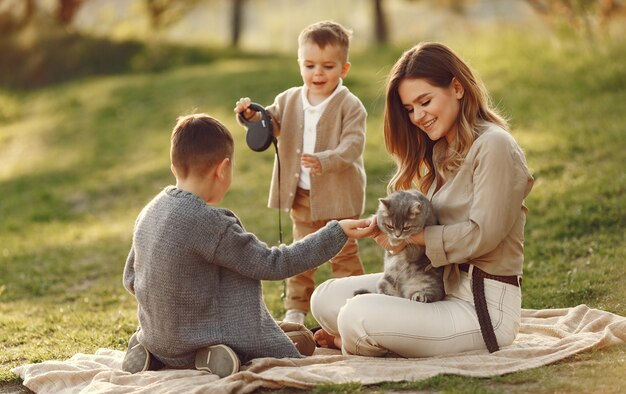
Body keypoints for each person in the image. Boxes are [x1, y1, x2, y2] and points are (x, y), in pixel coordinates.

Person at [310, 42, 534, 357]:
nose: (417, 116)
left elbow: (483, 235)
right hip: (434, 286)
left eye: (424, 101)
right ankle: (380, 335)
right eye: (409, 108)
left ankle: (350, 340)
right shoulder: (442, 149)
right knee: (325, 296)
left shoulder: (495, 146)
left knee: (355, 315)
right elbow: (429, 231)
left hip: (480, 309)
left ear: (457, 87)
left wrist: (413, 236)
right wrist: (392, 235)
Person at [121, 113, 375, 376]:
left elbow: (130, 278)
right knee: (303, 342)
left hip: (155, 335)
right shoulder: (210, 223)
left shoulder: (149, 211)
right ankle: (205, 352)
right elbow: (272, 263)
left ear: (174, 168)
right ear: (223, 169)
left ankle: (152, 352)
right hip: (196, 338)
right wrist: (335, 232)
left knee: (294, 330)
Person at [234, 20, 367, 326]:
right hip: (302, 196)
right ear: (300, 65)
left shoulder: (350, 106)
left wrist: (327, 159)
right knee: (300, 254)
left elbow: (353, 144)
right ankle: (296, 308)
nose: (317, 73)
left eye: (327, 66)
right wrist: (252, 117)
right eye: (310, 65)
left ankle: (355, 305)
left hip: (338, 198)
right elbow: (270, 122)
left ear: (344, 69)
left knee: (343, 254)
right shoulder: (290, 99)